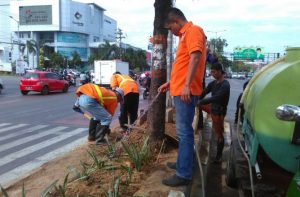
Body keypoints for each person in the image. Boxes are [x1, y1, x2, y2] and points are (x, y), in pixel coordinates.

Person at [158, 7, 207, 187]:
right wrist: (171, 83)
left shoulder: (194, 31)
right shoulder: (184, 36)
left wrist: (186, 86)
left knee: (184, 133)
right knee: (184, 132)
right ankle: (183, 163)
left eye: (170, 28)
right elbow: (184, 65)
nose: (171, 32)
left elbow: (195, 58)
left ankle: (184, 173)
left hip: (186, 92)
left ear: (176, 21)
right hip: (180, 90)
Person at [198, 62, 230, 162]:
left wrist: (201, 101)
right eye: (211, 72)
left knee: (219, 134)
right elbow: (204, 92)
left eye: (214, 72)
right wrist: (197, 98)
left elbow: (217, 97)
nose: (212, 74)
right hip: (212, 108)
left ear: (220, 71)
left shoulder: (225, 84)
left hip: (219, 112)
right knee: (197, 104)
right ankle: (199, 124)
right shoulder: (213, 83)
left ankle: (219, 156)